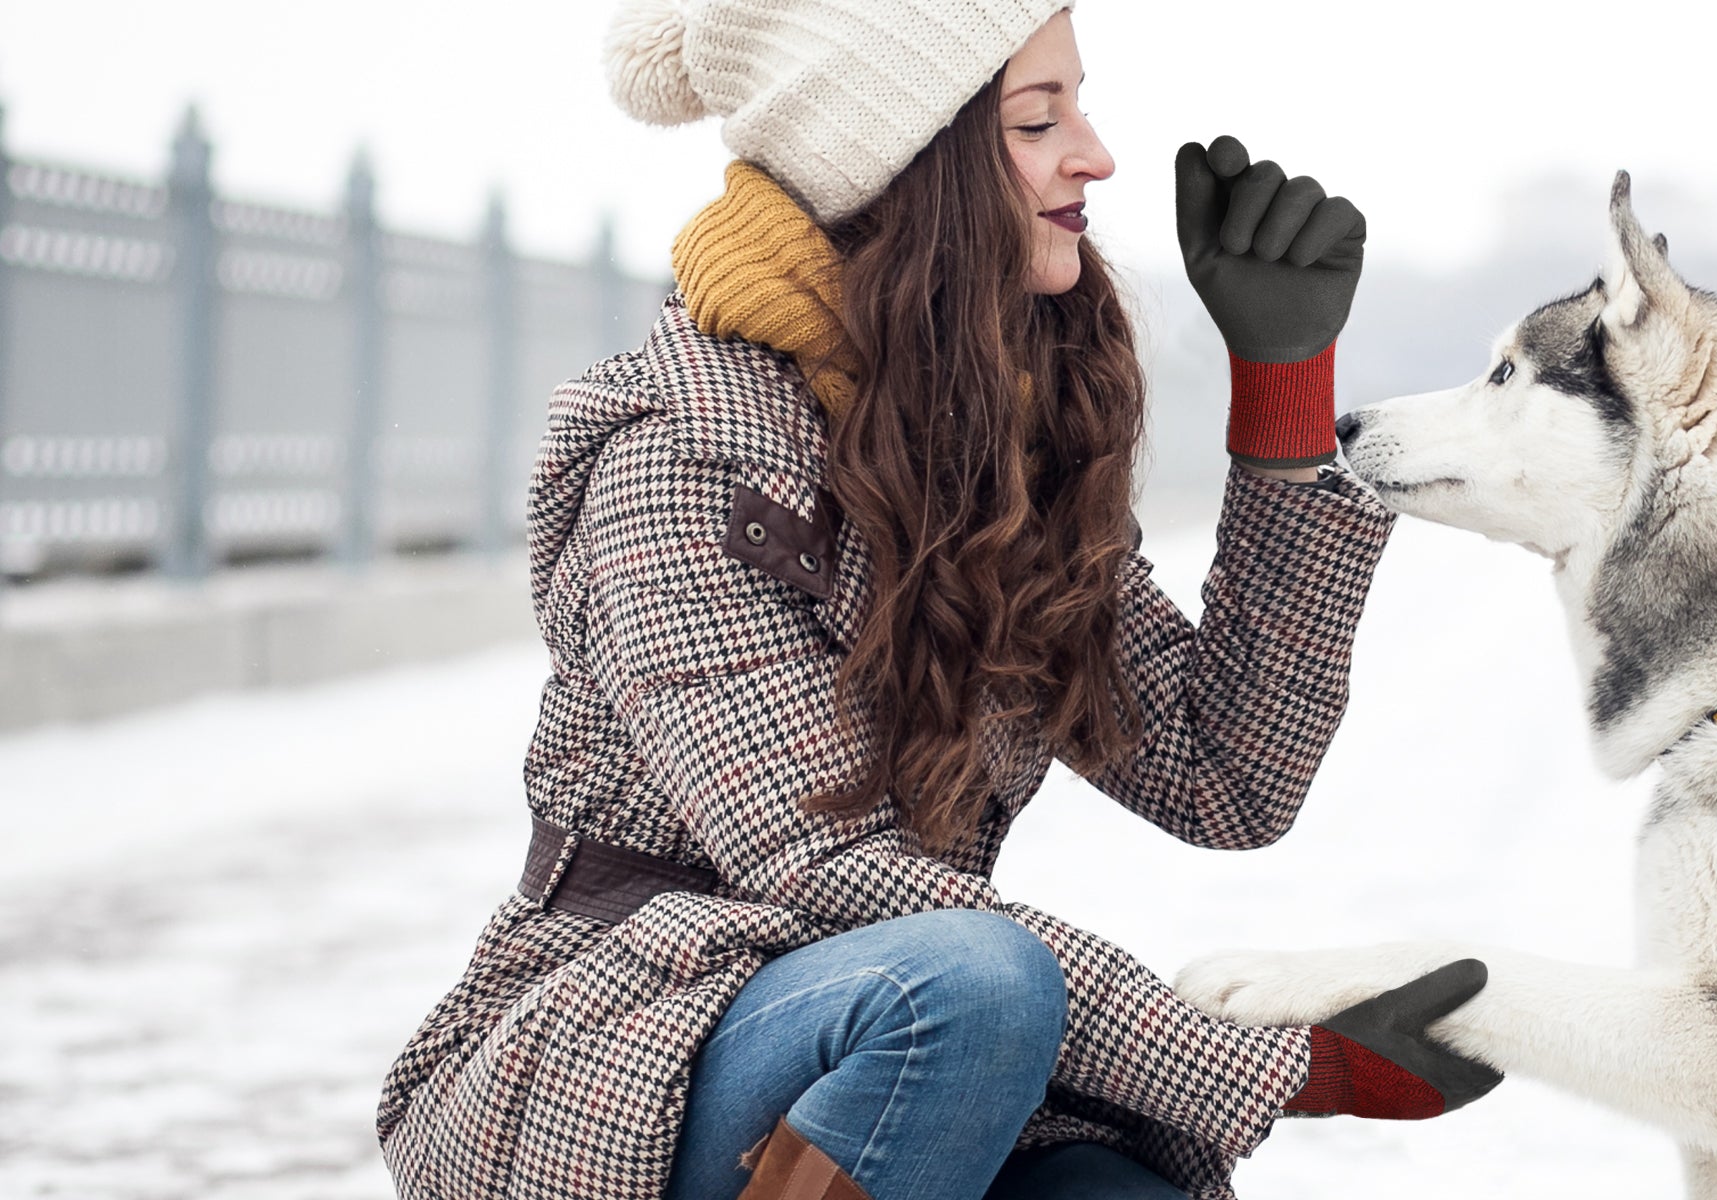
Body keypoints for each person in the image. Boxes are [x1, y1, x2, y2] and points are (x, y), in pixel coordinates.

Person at [373, 3, 1499, 1198]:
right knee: (977, 981)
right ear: (903, 160)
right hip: (623, 1054)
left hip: (913, 1042)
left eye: (1078, 103)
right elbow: (828, 871)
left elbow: (1223, 775)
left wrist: (1281, 397)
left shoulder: (992, 448)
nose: (1096, 154)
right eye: (1037, 117)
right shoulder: (684, 460)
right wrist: (1278, 1068)